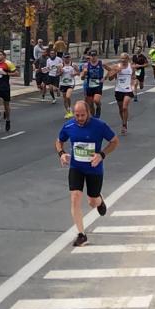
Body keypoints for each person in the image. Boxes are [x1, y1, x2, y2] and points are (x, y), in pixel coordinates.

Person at [56, 100, 119, 247]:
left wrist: (101, 155)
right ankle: (81, 234)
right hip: (76, 167)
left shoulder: (99, 125)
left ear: (88, 113)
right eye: (77, 115)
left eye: (82, 115)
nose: (79, 118)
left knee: (92, 201)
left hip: (94, 168)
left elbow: (115, 141)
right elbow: (59, 141)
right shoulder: (69, 126)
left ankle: (99, 201)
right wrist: (62, 153)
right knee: (75, 197)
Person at [113, 53, 136, 135]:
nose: (123, 60)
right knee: (120, 109)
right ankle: (124, 121)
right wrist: (115, 71)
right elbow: (110, 78)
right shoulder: (117, 66)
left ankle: (124, 125)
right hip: (118, 90)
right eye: (121, 58)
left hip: (128, 90)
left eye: (124, 58)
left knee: (125, 107)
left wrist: (133, 87)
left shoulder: (131, 67)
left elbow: (133, 77)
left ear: (127, 59)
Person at [82, 49, 107, 119]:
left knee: (96, 100)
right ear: (90, 56)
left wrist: (104, 78)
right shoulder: (86, 65)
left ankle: (98, 107)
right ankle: (93, 119)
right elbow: (82, 78)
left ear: (97, 56)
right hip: (89, 85)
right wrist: (84, 73)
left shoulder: (101, 63)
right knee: (90, 104)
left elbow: (110, 70)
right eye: (92, 55)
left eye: (94, 55)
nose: (93, 57)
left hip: (98, 85)